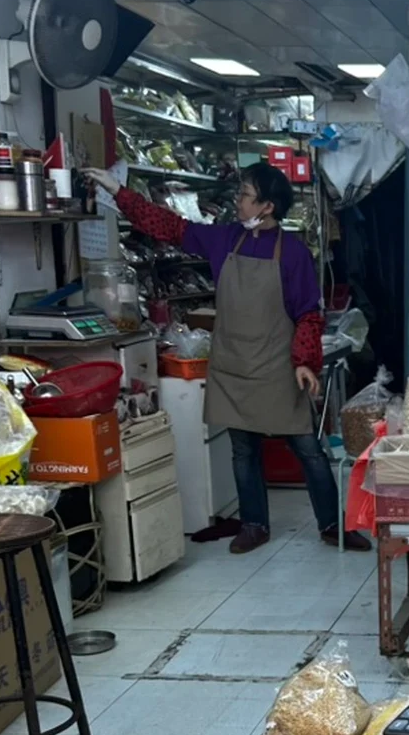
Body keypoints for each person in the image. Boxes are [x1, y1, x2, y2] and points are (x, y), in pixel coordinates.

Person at [84, 163, 369, 554]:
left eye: (245, 195)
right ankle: (254, 525)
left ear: (267, 206)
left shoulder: (294, 253)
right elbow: (169, 226)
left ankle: (333, 524)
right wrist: (119, 190)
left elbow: (308, 313)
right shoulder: (224, 240)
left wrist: (305, 361)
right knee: (243, 450)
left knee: (308, 448)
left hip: (276, 365)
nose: (238, 202)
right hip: (232, 364)